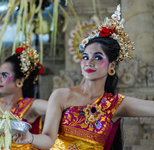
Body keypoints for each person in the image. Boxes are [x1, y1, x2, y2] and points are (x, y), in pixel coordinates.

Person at [12, 5, 154, 150]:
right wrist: (30, 137)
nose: (89, 62)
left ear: (111, 66)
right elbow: (48, 138)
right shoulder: (61, 95)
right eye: (85, 57)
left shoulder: (116, 104)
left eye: (97, 57)